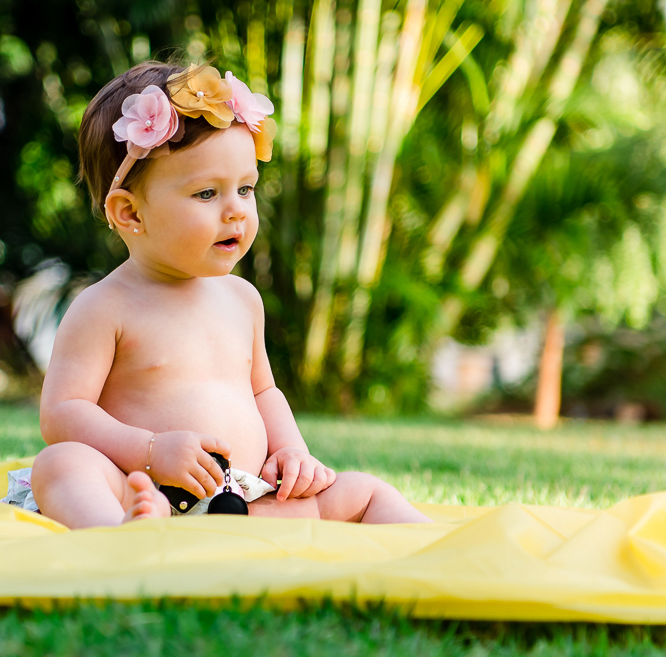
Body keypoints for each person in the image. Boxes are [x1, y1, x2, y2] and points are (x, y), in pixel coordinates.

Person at [27, 60, 432, 529]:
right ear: (130, 213)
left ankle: (431, 553)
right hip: (140, 481)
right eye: (206, 194)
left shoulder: (242, 299)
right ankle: (118, 532)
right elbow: (63, 413)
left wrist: (290, 452)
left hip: (247, 495)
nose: (236, 211)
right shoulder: (105, 306)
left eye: (245, 188)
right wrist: (150, 451)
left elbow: (264, 391)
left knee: (366, 491)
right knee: (62, 464)